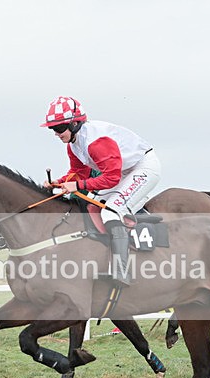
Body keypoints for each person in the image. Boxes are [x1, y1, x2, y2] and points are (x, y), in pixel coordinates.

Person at [40, 96, 160, 286]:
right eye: (52, 129)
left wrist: (77, 186)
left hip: (142, 167)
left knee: (112, 211)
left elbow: (110, 178)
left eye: (59, 128)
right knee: (91, 206)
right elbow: (79, 172)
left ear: (74, 124)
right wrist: (60, 182)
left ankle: (122, 270)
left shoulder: (96, 141)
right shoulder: (73, 145)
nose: (56, 133)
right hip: (122, 170)